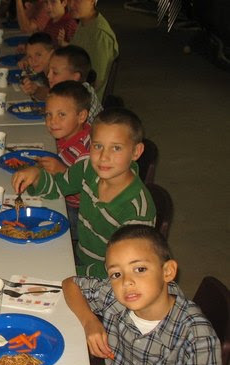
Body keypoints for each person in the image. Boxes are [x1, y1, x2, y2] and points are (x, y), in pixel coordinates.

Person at [62, 225, 224, 365]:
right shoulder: (113, 296)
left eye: (139, 269)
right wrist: (89, 321)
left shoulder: (197, 333)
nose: (126, 282)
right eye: (116, 274)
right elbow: (70, 284)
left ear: (167, 271)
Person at [12, 108, 156, 277]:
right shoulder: (88, 168)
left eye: (116, 148)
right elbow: (58, 187)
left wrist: (74, 274)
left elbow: (123, 269)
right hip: (81, 259)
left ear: (136, 152)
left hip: (107, 279)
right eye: (98, 146)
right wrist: (36, 176)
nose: (104, 157)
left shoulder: (137, 210)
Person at [43, 80, 92, 241]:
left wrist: (63, 171)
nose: (52, 121)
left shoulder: (86, 151)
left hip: (79, 213)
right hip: (64, 197)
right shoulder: (67, 134)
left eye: (61, 115)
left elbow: (89, 196)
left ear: (81, 116)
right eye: (48, 114)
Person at [63, 0, 118, 99]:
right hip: (74, 85)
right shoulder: (84, 22)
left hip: (85, 97)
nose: (71, 5)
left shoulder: (100, 35)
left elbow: (96, 81)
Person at [47, 44, 102, 124]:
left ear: (75, 77)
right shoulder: (69, 93)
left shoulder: (83, 98)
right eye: (49, 70)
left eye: (55, 73)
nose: (48, 76)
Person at [19, 32, 55, 101]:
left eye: (38, 55)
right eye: (29, 56)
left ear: (51, 53)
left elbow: (59, 96)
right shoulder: (43, 70)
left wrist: (36, 90)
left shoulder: (58, 71)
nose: (33, 61)